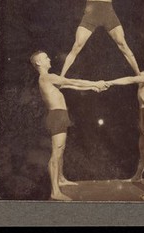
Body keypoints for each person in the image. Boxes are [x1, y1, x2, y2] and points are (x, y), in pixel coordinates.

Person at [30, 50, 106, 201]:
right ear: (39, 62)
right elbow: (72, 81)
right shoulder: (47, 77)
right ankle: (55, 192)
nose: (49, 58)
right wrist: (95, 82)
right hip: (57, 116)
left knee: (61, 149)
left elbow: (71, 86)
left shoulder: (49, 80)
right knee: (56, 152)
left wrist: (91, 88)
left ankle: (61, 179)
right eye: (46, 57)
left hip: (61, 115)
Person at [105, 49, 144, 200]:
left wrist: (110, 82)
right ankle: (137, 176)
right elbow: (137, 78)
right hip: (143, 115)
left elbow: (129, 79)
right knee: (143, 151)